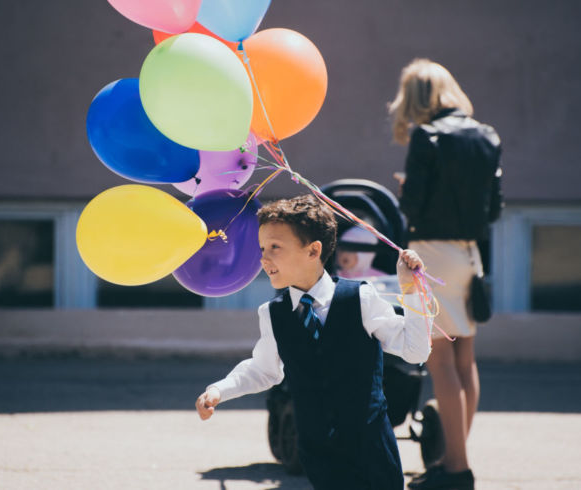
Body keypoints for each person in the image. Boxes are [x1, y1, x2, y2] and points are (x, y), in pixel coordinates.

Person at [196, 194, 432, 490]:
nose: (264, 258)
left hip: (371, 449)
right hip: (318, 452)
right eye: (262, 248)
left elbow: (415, 351)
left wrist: (412, 291)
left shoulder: (360, 298)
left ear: (313, 251)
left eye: (275, 248)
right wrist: (220, 390)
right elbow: (264, 369)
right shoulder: (273, 313)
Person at [388, 58, 503, 490]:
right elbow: (495, 209)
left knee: (440, 363)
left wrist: (405, 189)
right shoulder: (487, 135)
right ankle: (454, 458)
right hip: (470, 255)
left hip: (431, 256)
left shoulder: (427, 136)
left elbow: (413, 206)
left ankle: (456, 469)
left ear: (415, 98)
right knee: (465, 360)